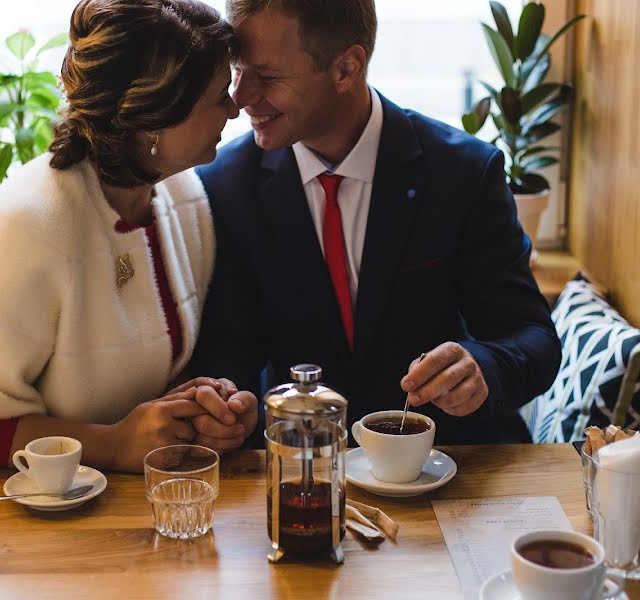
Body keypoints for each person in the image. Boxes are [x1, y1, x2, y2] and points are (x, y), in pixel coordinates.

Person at [0, 0, 256, 472]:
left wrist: (198, 406)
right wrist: (112, 444)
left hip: (109, 501)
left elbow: (143, 382)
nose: (235, 108)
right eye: (219, 95)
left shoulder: (181, 198)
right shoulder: (29, 228)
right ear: (153, 116)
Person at [190, 0, 562, 445]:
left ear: (346, 68)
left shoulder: (463, 172)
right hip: (302, 472)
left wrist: (483, 368)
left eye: (267, 77)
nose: (239, 98)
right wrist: (227, 404)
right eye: (238, 71)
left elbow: (533, 338)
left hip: (447, 464)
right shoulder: (224, 186)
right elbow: (229, 353)